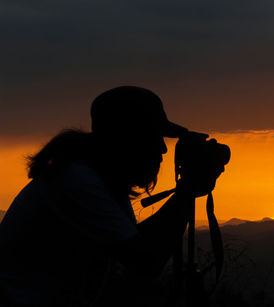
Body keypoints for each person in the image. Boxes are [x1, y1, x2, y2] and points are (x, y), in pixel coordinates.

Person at [0, 86, 217, 306]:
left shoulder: (94, 179)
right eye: (154, 137)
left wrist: (187, 191)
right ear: (127, 139)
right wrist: (187, 190)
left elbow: (132, 251)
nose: (162, 149)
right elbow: (145, 260)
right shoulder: (77, 181)